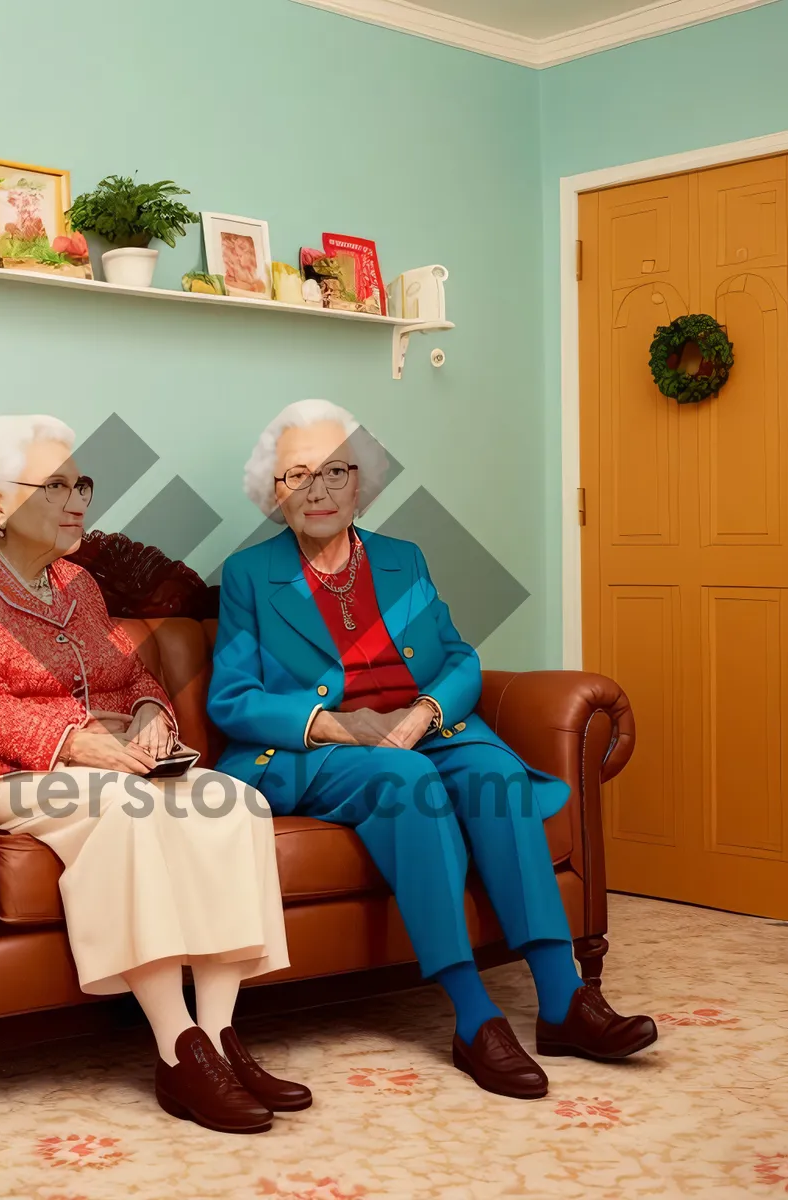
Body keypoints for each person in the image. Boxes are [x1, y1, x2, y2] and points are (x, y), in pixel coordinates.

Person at [207, 399, 656, 1100]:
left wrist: (421, 715)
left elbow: (459, 659)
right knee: (404, 780)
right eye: (296, 475)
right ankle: (474, 1016)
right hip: (317, 750)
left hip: (419, 731)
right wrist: (341, 725)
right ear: (274, 492)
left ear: (363, 482)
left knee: (494, 776)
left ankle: (564, 1001)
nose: (316, 490)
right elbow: (232, 698)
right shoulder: (249, 576)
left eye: (334, 472)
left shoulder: (400, 560)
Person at [0, 414, 310, 1133]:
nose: (76, 499)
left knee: (235, 803)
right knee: (129, 809)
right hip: (8, 776)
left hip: (113, 762)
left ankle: (218, 1037)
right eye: (53, 485)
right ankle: (177, 1050)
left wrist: (152, 715)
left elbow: (132, 675)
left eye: (79, 482)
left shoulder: (79, 585)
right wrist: (73, 740)